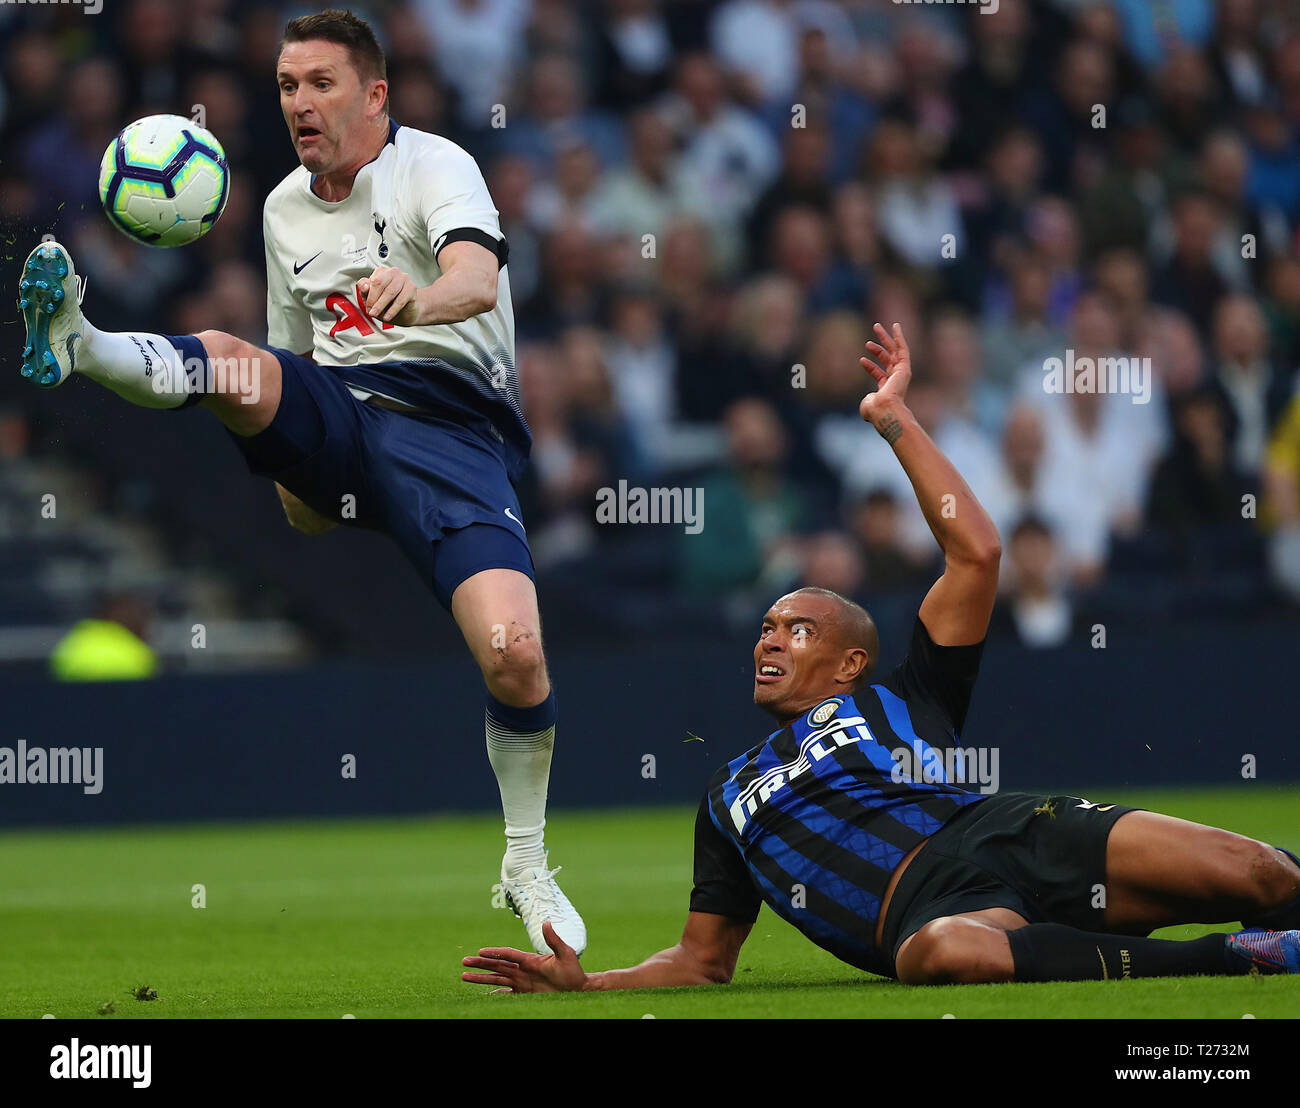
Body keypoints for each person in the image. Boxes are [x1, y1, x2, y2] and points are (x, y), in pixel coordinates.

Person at [462, 324, 1300, 992]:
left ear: (851, 663)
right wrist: (590, 985)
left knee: (1259, 870)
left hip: (1012, 834)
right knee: (938, 959)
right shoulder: (726, 799)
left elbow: (976, 554)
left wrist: (895, 422)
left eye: (795, 628)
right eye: (763, 628)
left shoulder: (910, 696)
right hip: (929, 917)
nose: (767, 639)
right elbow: (701, 961)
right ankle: (1240, 959)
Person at [17, 9, 583, 956]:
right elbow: (291, 355)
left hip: (450, 429)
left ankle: (523, 861)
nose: (299, 104)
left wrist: (418, 297)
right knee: (239, 362)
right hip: (340, 407)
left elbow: (477, 280)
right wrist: (292, 453)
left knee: (516, 655)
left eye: (321, 84)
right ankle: (84, 342)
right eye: (286, 86)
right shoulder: (282, 209)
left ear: (375, 95)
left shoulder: (435, 165)